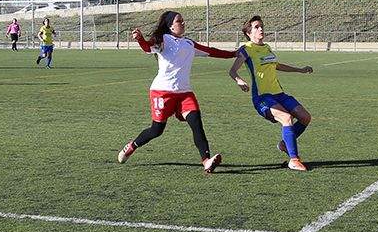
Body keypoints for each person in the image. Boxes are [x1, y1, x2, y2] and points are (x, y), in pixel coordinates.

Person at [117, 10, 234, 174]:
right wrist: (140, 39)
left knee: (197, 125)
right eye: (180, 21)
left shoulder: (189, 44)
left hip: (185, 93)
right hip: (162, 92)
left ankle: (206, 161)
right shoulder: (163, 40)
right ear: (171, 26)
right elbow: (147, 47)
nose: (183, 23)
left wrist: (235, 53)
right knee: (156, 130)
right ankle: (131, 146)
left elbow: (212, 51)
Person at [230, 15, 315, 173]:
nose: (261, 29)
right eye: (256, 27)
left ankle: (285, 144)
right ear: (249, 32)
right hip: (262, 97)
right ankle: (294, 160)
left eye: (261, 26)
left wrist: (300, 69)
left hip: (279, 94)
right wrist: (239, 80)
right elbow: (232, 70)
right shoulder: (246, 49)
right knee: (286, 118)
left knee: (305, 117)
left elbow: (276, 65)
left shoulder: (267, 47)